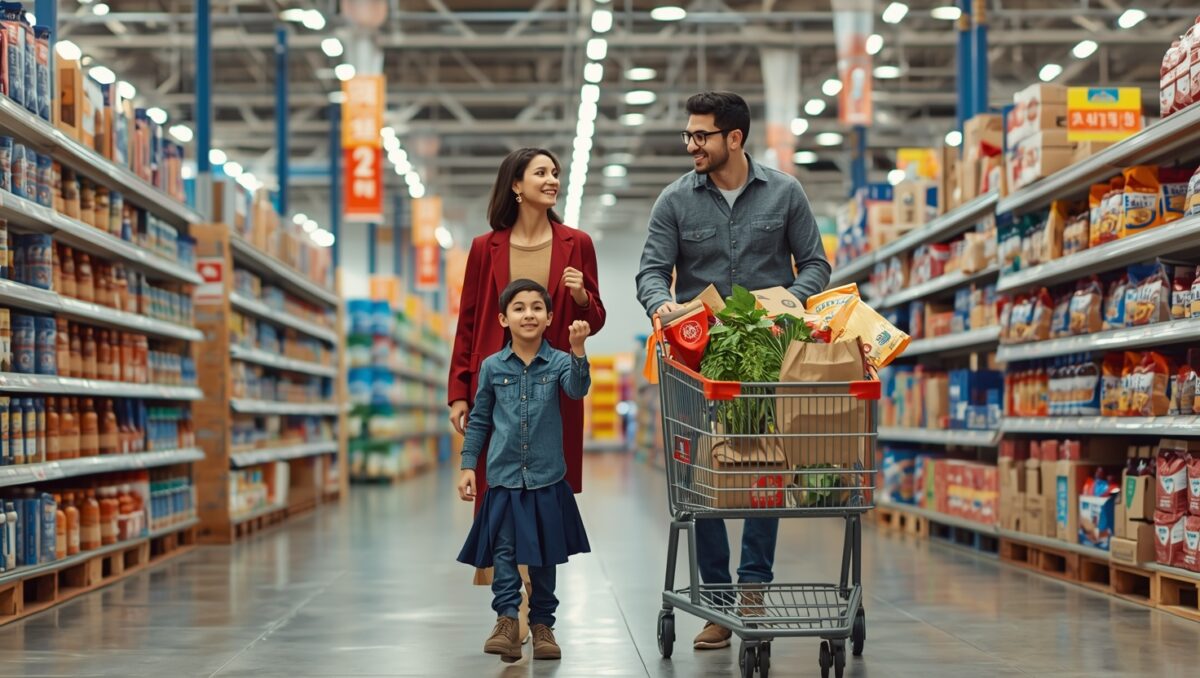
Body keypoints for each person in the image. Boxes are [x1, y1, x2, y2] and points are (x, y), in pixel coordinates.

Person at [635, 91, 832, 651]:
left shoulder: (785, 193)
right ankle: (718, 601)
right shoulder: (674, 201)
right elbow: (652, 271)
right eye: (689, 135)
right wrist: (659, 305)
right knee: (705, 475)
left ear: (734, 139)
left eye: (701, 135)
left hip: (766, 355)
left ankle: (752, 589)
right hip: (698, 358)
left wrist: (788, 304)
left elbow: (815, 262)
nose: (691, 144)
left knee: (763, 470)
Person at [448, 147, 605, 641]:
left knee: (542, 494)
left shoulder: (577, 243)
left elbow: (594, 318)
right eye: (541, 172)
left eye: (555, 172)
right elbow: (469, 322)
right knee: (498, 494)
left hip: (553, 386)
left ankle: (539, 617)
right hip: (496, 382)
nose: (552, 179)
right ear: (516, 184)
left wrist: (581, 296)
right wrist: (459, 390)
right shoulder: (484, 247)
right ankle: (508, 613)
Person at [456, 279, 593, 663]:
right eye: (518, 307)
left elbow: (577, 390)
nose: (528, 314)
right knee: (504, 553)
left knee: (545, 557)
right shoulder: (491, 367)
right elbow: (480, 419)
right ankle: (505, 621)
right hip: (503, 479)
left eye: (537, 307)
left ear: (549, 317)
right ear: (503, 318)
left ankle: (542, 624)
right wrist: (469, 465)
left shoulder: (562, 362)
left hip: (547, 477)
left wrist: (578, 351)